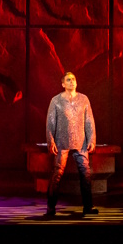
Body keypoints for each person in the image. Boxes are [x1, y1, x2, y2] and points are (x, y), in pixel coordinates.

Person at [45, 71, 97, 216]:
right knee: (57, 174)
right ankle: (50, 207)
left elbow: (89, 120)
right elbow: (50, 122)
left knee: (85, 174)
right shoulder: (56, 100)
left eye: (73, 79)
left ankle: (88, 207)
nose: (72, 81)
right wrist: (51, 141)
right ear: (63, 84)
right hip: (62, 141)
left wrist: (91, 139)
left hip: (81, 142)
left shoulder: (83, 99)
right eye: (68, 80)